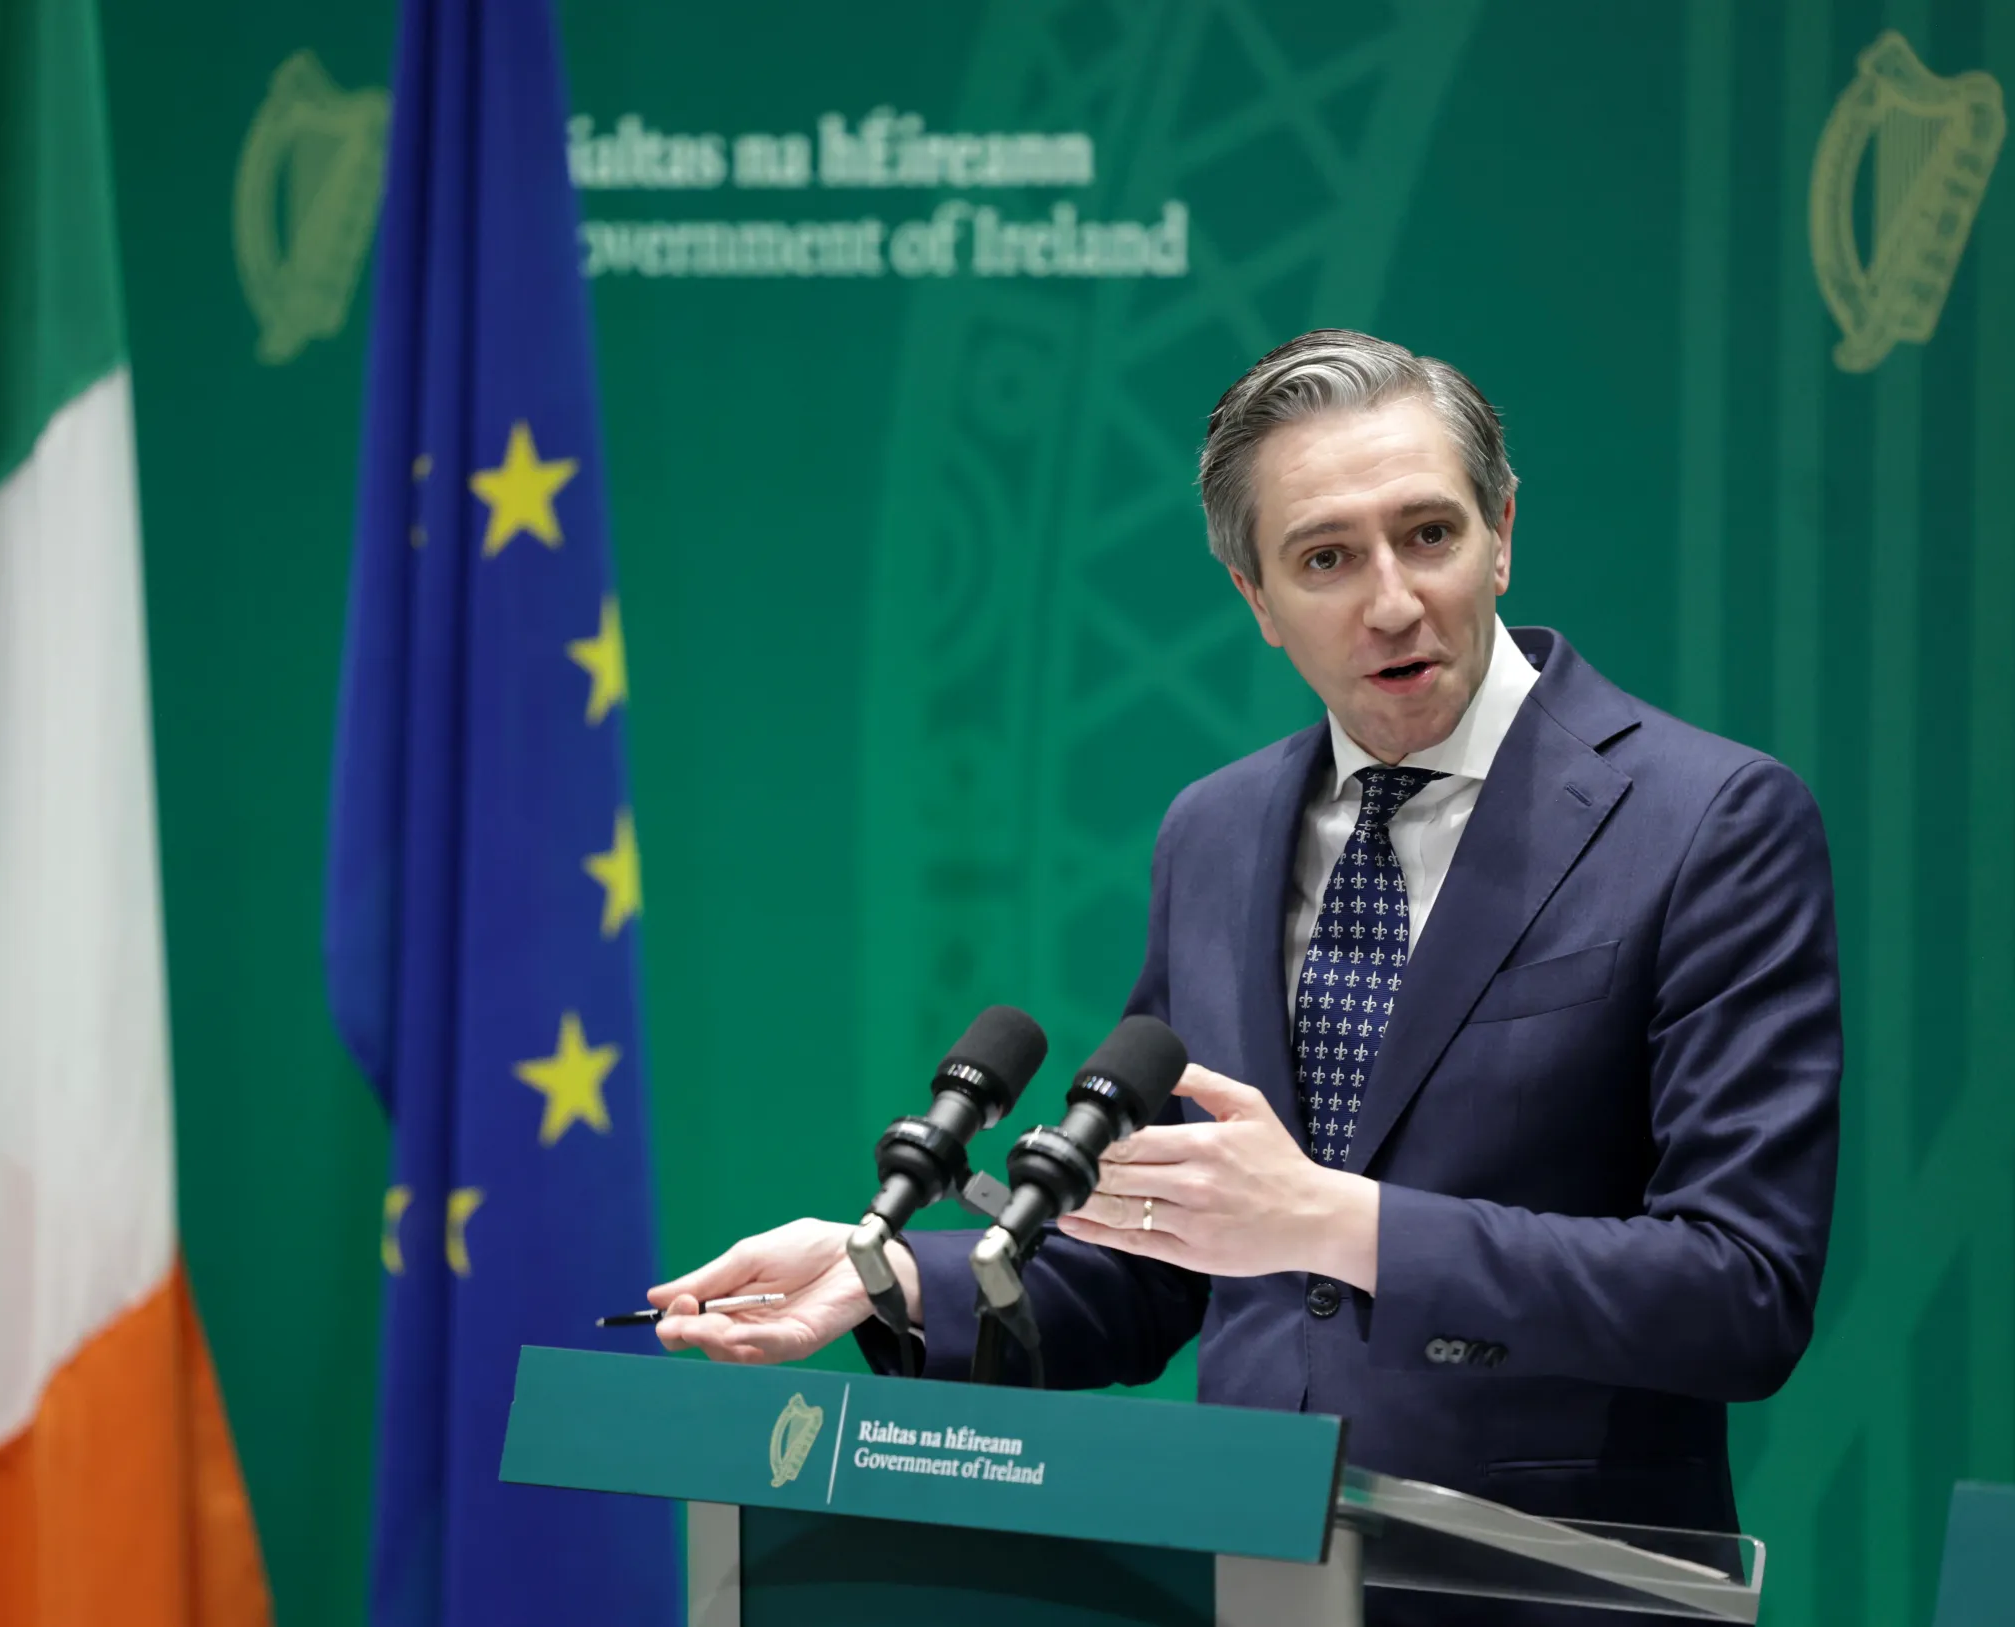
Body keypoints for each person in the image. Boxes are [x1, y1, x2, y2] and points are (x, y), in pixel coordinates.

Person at [648, 330, 1840, 1622]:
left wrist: (1338, 1219)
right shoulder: (1214, 833)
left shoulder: (1707, 820)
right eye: (1327, 558)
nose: (1393, 601)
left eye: (1429, 535)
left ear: (1502, 532)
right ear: (1256, 598)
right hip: (1248, 1579)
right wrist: (882, 1275)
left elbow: (1741, 1291)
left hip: (1554, 1592)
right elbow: (1161, 1259)